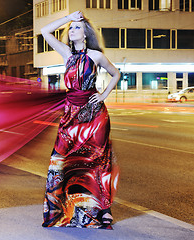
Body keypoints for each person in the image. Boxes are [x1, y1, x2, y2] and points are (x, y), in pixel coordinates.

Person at [41, 11, 120, 229]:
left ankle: (104, 209)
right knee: (61, 160)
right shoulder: (66, 53)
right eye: (71, 28)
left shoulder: (96, 55)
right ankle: (62, 207)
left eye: (77, 27)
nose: (72, 30)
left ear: (85, 33)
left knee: (98, 161)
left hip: (95, 114)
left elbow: (116, 73)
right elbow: (44, 31)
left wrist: (103, 95)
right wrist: (69, 18)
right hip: (70, 115)